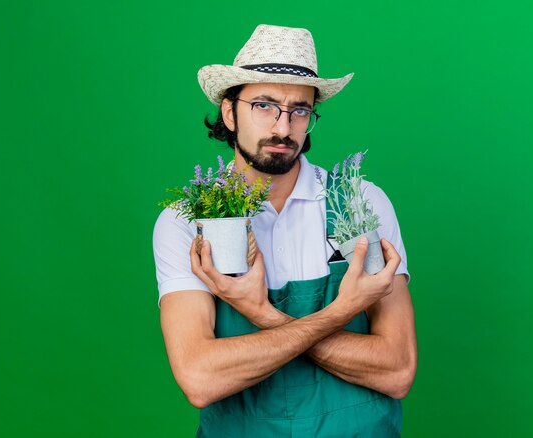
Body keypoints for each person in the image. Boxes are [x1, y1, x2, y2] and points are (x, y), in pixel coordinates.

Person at [153, 24, 417, 437]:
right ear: (229, 112)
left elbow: (397, 369)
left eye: (299, 110)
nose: (283, 126)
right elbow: (201, 379)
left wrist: (261, 313)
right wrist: (341, 313)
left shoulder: (359, 203)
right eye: (263, 104)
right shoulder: (189, 221)